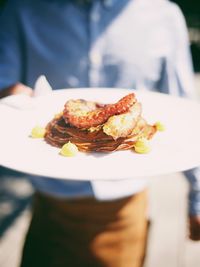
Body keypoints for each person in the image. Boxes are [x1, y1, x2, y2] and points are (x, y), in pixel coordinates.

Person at [0, 0, 200, 266]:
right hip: (51, 210)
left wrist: (199, 195)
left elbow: (185, 115)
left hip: (125, 211)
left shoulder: (163, 15)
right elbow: (4, 81)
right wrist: (17, 98)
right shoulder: (23, 10)